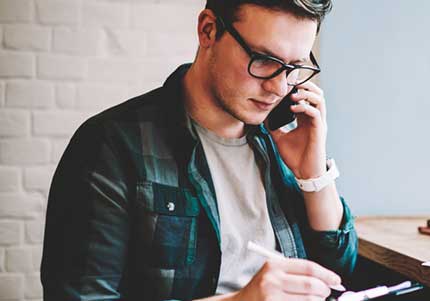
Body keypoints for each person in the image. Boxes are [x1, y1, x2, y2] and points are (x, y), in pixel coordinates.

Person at [40, 0, 358, 300]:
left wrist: (313, 176)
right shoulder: (110, 145)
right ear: (208, 30)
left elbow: (340, 273)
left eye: (294, 67)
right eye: (263, 60)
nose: (278, 88)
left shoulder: (283, 142)